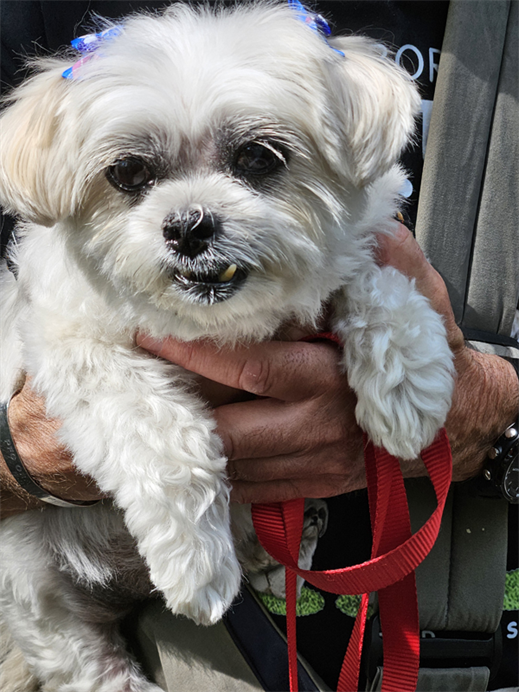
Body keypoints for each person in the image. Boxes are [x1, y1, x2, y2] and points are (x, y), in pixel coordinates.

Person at [0, 1, 518, 690]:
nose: (189, 219)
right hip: (137, 632)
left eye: (255, 160)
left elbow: (365, 260)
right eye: (132, 175)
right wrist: (25, 461)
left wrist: (490, 409)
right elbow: (66, 356)